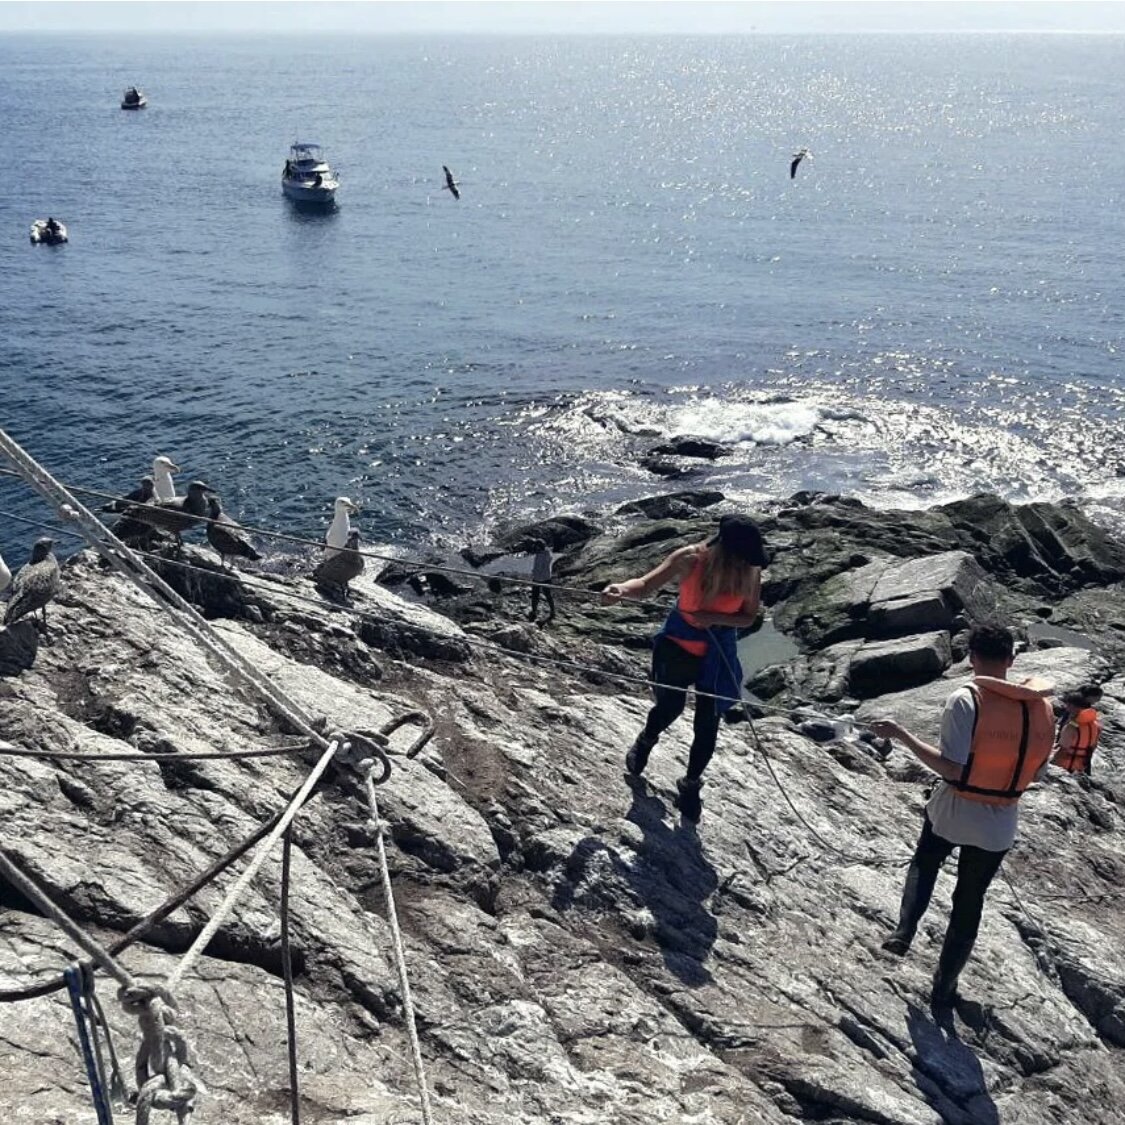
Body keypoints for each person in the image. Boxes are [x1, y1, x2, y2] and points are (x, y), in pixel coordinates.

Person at [870, 624, 1054, 1008]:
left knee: (925, 859)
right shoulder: (1042, 708)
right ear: (1011, 660)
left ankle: (903, 933)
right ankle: (944, 986)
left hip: (956, 808)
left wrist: (901, 735)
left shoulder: (965, 699)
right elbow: (1036, 773)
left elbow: (952, 770)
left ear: (971, 658)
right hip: (999, 823)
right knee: (969, 901)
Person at [600, 514, 767, 821]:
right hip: (678, 645)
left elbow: (747, 618)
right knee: (669, 708)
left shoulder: (750, 570)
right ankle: (646, 739)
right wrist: (620, 590)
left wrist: (716, 619)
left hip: (718, 653)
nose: (748, 562)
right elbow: (646, 585)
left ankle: (690, 785)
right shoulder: (689, 559)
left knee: (708, 723)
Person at [1052, 684, 1102, 777]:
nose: (1066, 708)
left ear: (1075, 707)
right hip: (1082, 766)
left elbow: (1062, 751)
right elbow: (1093, 746)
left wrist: (1050, 765)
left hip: (1065, 768)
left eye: (1068, 705)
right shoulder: (1095, 724)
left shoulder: (1071, 727)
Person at [526, 538, 555, 624]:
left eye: (537, 546)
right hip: (543, 577)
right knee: (542, 595)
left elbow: (540, 567)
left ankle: (538, 611)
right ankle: (548, 611)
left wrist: (534, 573)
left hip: (541, 578)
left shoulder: (543, 555)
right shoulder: (544, 554)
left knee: (541, 595)